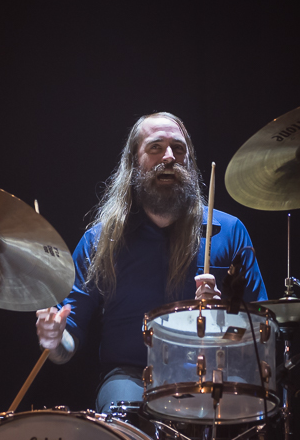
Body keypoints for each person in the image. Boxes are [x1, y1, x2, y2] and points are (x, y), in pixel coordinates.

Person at [36, 112, 267, 413]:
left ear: (189, 162)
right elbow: (68, 344)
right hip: (132, 377)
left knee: (245, 410)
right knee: (121, 414)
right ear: (134, 162)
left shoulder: (229, 232)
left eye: (178, 148)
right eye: (156, 147)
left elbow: (261, 333)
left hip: (213, 375)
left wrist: (221, 317)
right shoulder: (100, 241)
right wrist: (54, 340)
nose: (169, 157)